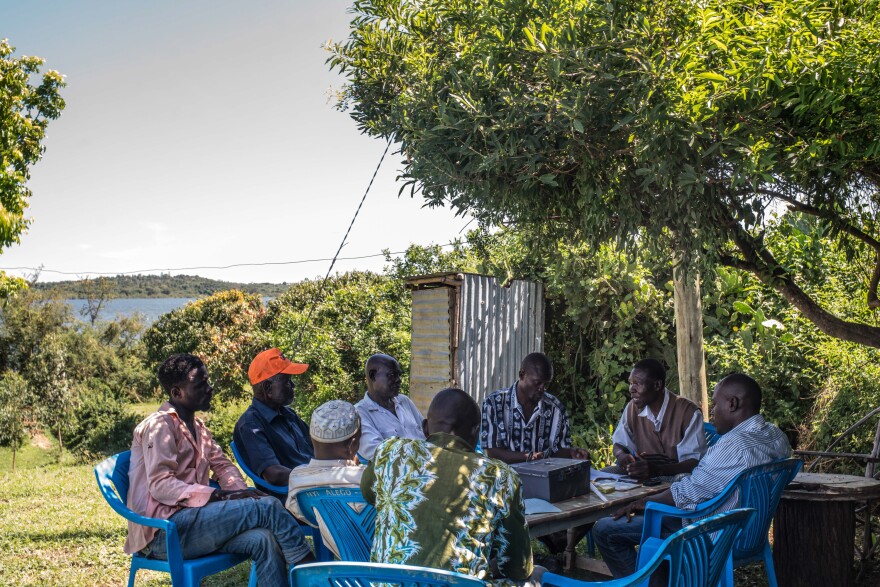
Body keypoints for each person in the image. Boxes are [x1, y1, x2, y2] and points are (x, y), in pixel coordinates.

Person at [125, 354, 313, 587]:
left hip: (196, 524)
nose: (209, 388)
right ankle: (313, 577)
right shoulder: (159, 425)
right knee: (269, 506)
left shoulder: (198, 428)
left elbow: (223, 467)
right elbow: (161, 485)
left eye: (208, 382)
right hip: (164, 533)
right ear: (176, 393)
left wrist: (242, 493)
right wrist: (221, 495)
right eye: (200, 385)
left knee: (264, 539)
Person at [592, 373, 791, 579]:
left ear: (732, 404)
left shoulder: (734, 445)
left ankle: (646, 584)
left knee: (605, 530)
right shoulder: (776, 437)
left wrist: (642, 502)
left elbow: (687, 493)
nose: (712, 412)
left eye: (715, 405)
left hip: (711, 531)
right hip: (750, 531)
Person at [362, 388, 543, 586]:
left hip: (387, 583)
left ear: (425, 428)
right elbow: (518, 567)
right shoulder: (500, 476)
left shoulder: (390, 453)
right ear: (476, 433)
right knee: (537, 575)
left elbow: (369, 493)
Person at [286, 399, 365, 558]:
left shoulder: (297, 479)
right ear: (353, 445)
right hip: (385, 560)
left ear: (312, 440)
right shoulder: (368, 477)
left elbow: (309, 518)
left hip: (343, 560)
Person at [481, 352, 589, 463]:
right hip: (504, 477)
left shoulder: (556, 409)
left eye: (546, 384)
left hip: (543, 478)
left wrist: (571, 452)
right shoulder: (494, 403)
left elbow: (558, 451)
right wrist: (529, 457)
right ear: (522, 375)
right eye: (537, 383)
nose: (542, 389)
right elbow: (491, 452)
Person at [610, 359, 707, 480]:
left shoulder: (688, 412)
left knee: (682, 478)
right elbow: (619, 443)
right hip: (641, 474)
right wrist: (621, 456)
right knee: (605, 476)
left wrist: (657, 470)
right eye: (630, 383)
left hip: (672, 476)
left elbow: (694, 462)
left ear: (657, 385)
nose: (631, 389)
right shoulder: (632, 408)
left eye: (637, 384)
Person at [233, 348, 314, 492]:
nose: (293, 386)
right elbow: (274, 474)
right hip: (297, 496)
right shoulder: (250, 424)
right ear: (268, 388)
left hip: (319, 488)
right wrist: (317, 477)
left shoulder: (288, 414)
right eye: (287, 382)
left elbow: (318, 448)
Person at [355, 353, 425, 461]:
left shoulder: (404, 401)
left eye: (399, 375)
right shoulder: (359, 413)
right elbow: (377, 453)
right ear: (373, 376)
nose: (398, 380)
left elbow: (426, 432)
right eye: (392, 375)